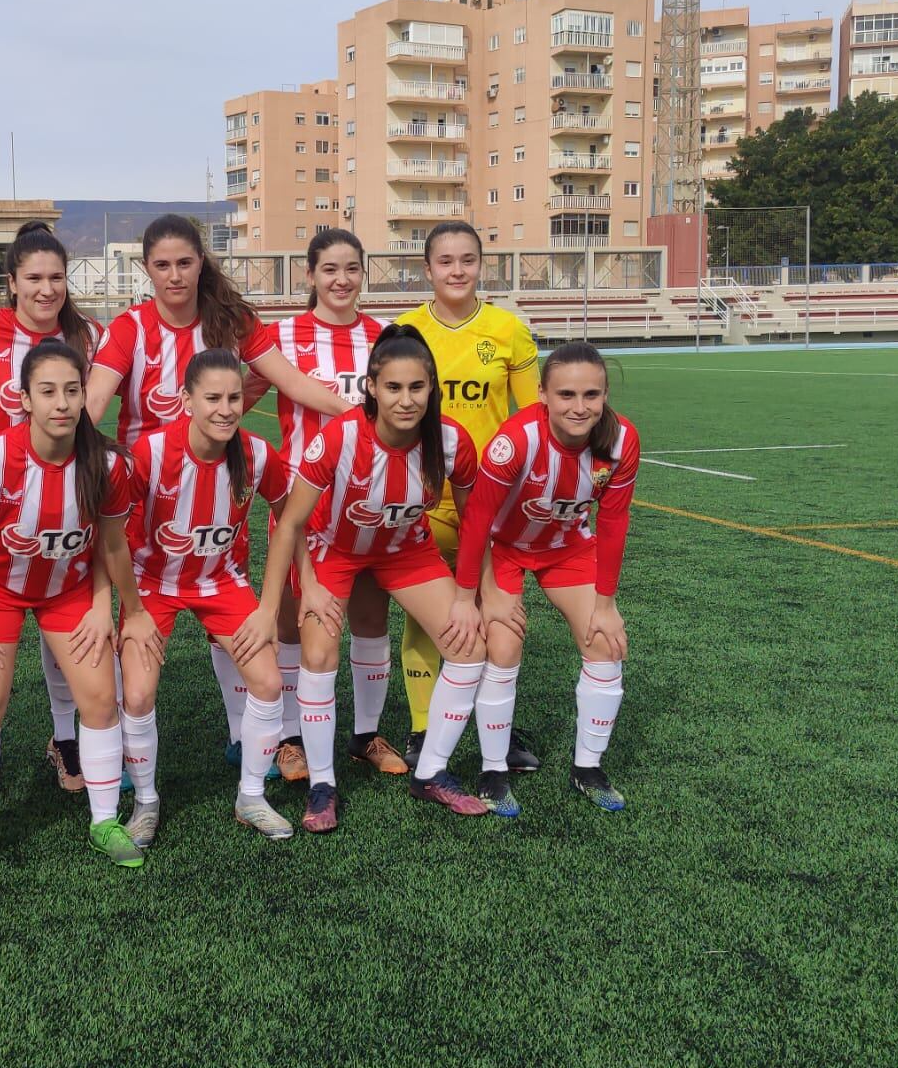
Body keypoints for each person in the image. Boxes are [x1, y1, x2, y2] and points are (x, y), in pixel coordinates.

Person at [85, 214, 348, 773]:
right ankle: (102, 745)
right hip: (143, 492)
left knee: (219, 595)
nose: (175, 275)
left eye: (185, 262)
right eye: (162, 265)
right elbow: (95, 400)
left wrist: (360, 417)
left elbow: (293, 381)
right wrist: (70, 452)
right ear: (147, 269)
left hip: (216, 478)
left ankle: (243, 735)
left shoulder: (230, 319)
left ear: (201, 262)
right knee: (116, 619)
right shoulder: (130, 328)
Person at [0, 341, 161, 878]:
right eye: (47, 392)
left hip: (69, 589)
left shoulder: (105, 463)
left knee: (101, 700)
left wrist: (112, 605)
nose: (62, 403)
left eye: (72, 391)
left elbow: (111, 545)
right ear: (24, 399)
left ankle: (103, 820)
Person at [257, 325, 489, 832]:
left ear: (432, 389)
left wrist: (473, 595)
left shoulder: (451, 441)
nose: (405, 401)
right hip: (332, 551)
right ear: (371, 388)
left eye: (417, 388)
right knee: (319, 653)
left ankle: (431, 773)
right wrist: (303, 586)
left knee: (470, 644)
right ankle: (323, 784)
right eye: (393, 388)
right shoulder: (340, 436)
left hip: (406, 552)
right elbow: (291, 521)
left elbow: (475, 523)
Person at [0, 220, 104, 793]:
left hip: (68, 499)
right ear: (11, 282)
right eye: (34, 277)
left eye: (57, 277)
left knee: (65, 634)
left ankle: (66, 741)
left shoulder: (90, 336)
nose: (46, 289)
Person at [455, 342, 639, 814]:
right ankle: (493, 771)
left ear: (605, 394)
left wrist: (606, 602)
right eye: (567, 395)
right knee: (504, 643)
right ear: (542, 394)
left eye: (592, 395)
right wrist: (480, 593)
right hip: (505, 551)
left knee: (606, 642)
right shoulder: (516, 440)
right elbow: (476, 519)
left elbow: (614, 521)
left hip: (567, 550)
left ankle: (588, 767)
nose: (581, 407)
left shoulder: (621, 442)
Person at [122, 349, 296, 842]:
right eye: (213, 398)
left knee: (267, 683)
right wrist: (126, 609)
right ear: (186, 401)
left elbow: (288, 521)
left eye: (234, 397)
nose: (225, 409)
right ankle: (145, 803)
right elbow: (109, 533)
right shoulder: (151, 453)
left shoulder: (258, 454)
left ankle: (252, 798)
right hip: (151, 584)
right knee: (136, 693)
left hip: (221, 582)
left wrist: (268, 607)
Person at [395, 220, 541, 776]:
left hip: (493, 504)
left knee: (496, 618)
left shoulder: (508, 331)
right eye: (445, 261)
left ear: (482, 265)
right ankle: (422, 729)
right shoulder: (405, 331)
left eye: (468, 260)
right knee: (430, 622)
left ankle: (492, 731)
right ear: (427, 269)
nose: (457, 271)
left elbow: (532, 421)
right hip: (426, 501)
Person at [261, 229, 398, 784]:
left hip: (368, 501)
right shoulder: (283, 337)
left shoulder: (386, 335)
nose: (341, 280)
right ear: (310, 275)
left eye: (352, 269)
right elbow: (236, 397)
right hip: (303, 503)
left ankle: (366, 735)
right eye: (329, 269)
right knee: (296, 624)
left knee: (369, 617)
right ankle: (291, 739)